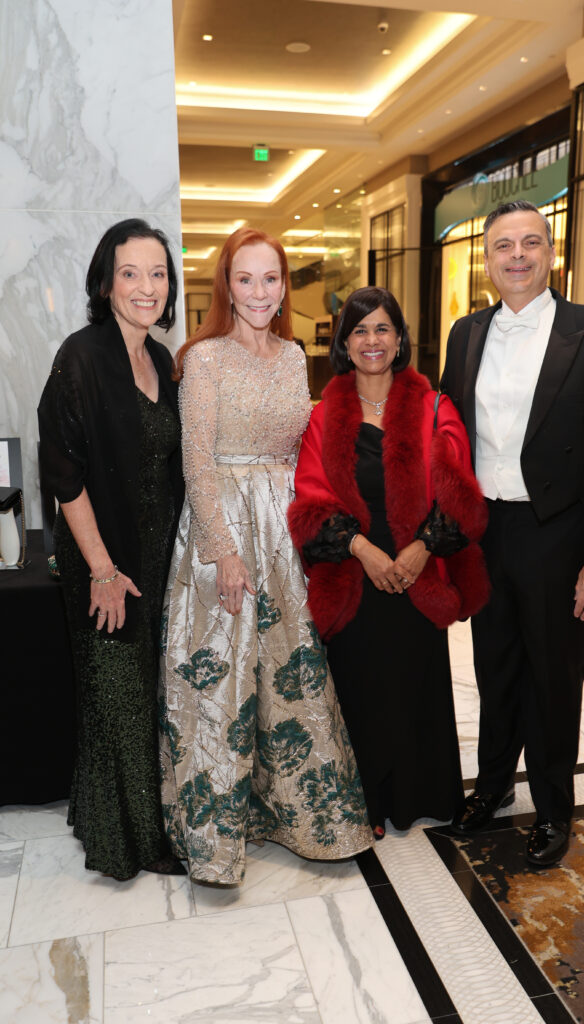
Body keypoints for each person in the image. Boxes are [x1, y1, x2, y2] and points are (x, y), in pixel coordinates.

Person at [159, 227, 372, 884]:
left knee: (288, 673)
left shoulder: (292, 354)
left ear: (284, 286)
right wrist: (223, 554)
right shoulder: (203, 357)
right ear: (226, 285)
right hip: (221, 524)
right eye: (245, 279)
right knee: (219, 680)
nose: (258, 291)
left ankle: (301, 816)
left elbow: (302, 448)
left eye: (270, 278)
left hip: (283, 532)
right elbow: (197, 462)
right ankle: (216, 839)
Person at [440, 200, 584, 866]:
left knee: (554, 677)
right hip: (485, 532)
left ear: (551, 252)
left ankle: (553, 810)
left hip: (558, 534)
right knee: (493, 668)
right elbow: (447, 440)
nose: (517, 256)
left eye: (531, 242)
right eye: (503, 245)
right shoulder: (465, 333)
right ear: (487, 258)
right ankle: (493, 789)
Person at [288, 286, 490, 838]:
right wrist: (364, 550)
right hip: (356, 570)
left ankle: (418, 795)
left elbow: (460, 489)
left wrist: (421, 549)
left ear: (399, 339)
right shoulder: (324, 416)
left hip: (420, 566)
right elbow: (310, 500)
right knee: (361, 687)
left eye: (382, 329)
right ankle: (367, 802)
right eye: (359, 330)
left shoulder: (433, 407)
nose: (371, 340)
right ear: (344, 344)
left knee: (414, 682)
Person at [38, 219, 185, 881]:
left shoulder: (158, 359)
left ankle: (98, 812)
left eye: (157, 273)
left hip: (155, 557)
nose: (146, 286)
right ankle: (130, 843)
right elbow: (63, 474)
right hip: (105, 558)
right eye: (131, 272)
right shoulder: (82, 356)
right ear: (106, 281)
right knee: (118, 694)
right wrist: (101, 568)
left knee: (131, 693)